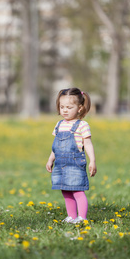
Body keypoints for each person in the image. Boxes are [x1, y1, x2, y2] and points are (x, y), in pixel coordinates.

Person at [46, 87, 97, 223]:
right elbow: (55, 146)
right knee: (66, 191)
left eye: (69, 107)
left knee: (77, 191)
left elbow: (88, 144)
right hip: (61, 164)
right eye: (62, 107)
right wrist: (51, 160)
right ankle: (71, 216)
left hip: (75, 164)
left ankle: (82, 217)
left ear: (79, 108)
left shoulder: (82, 125)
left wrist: (92, 161)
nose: (65, 110)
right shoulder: (59, 124)